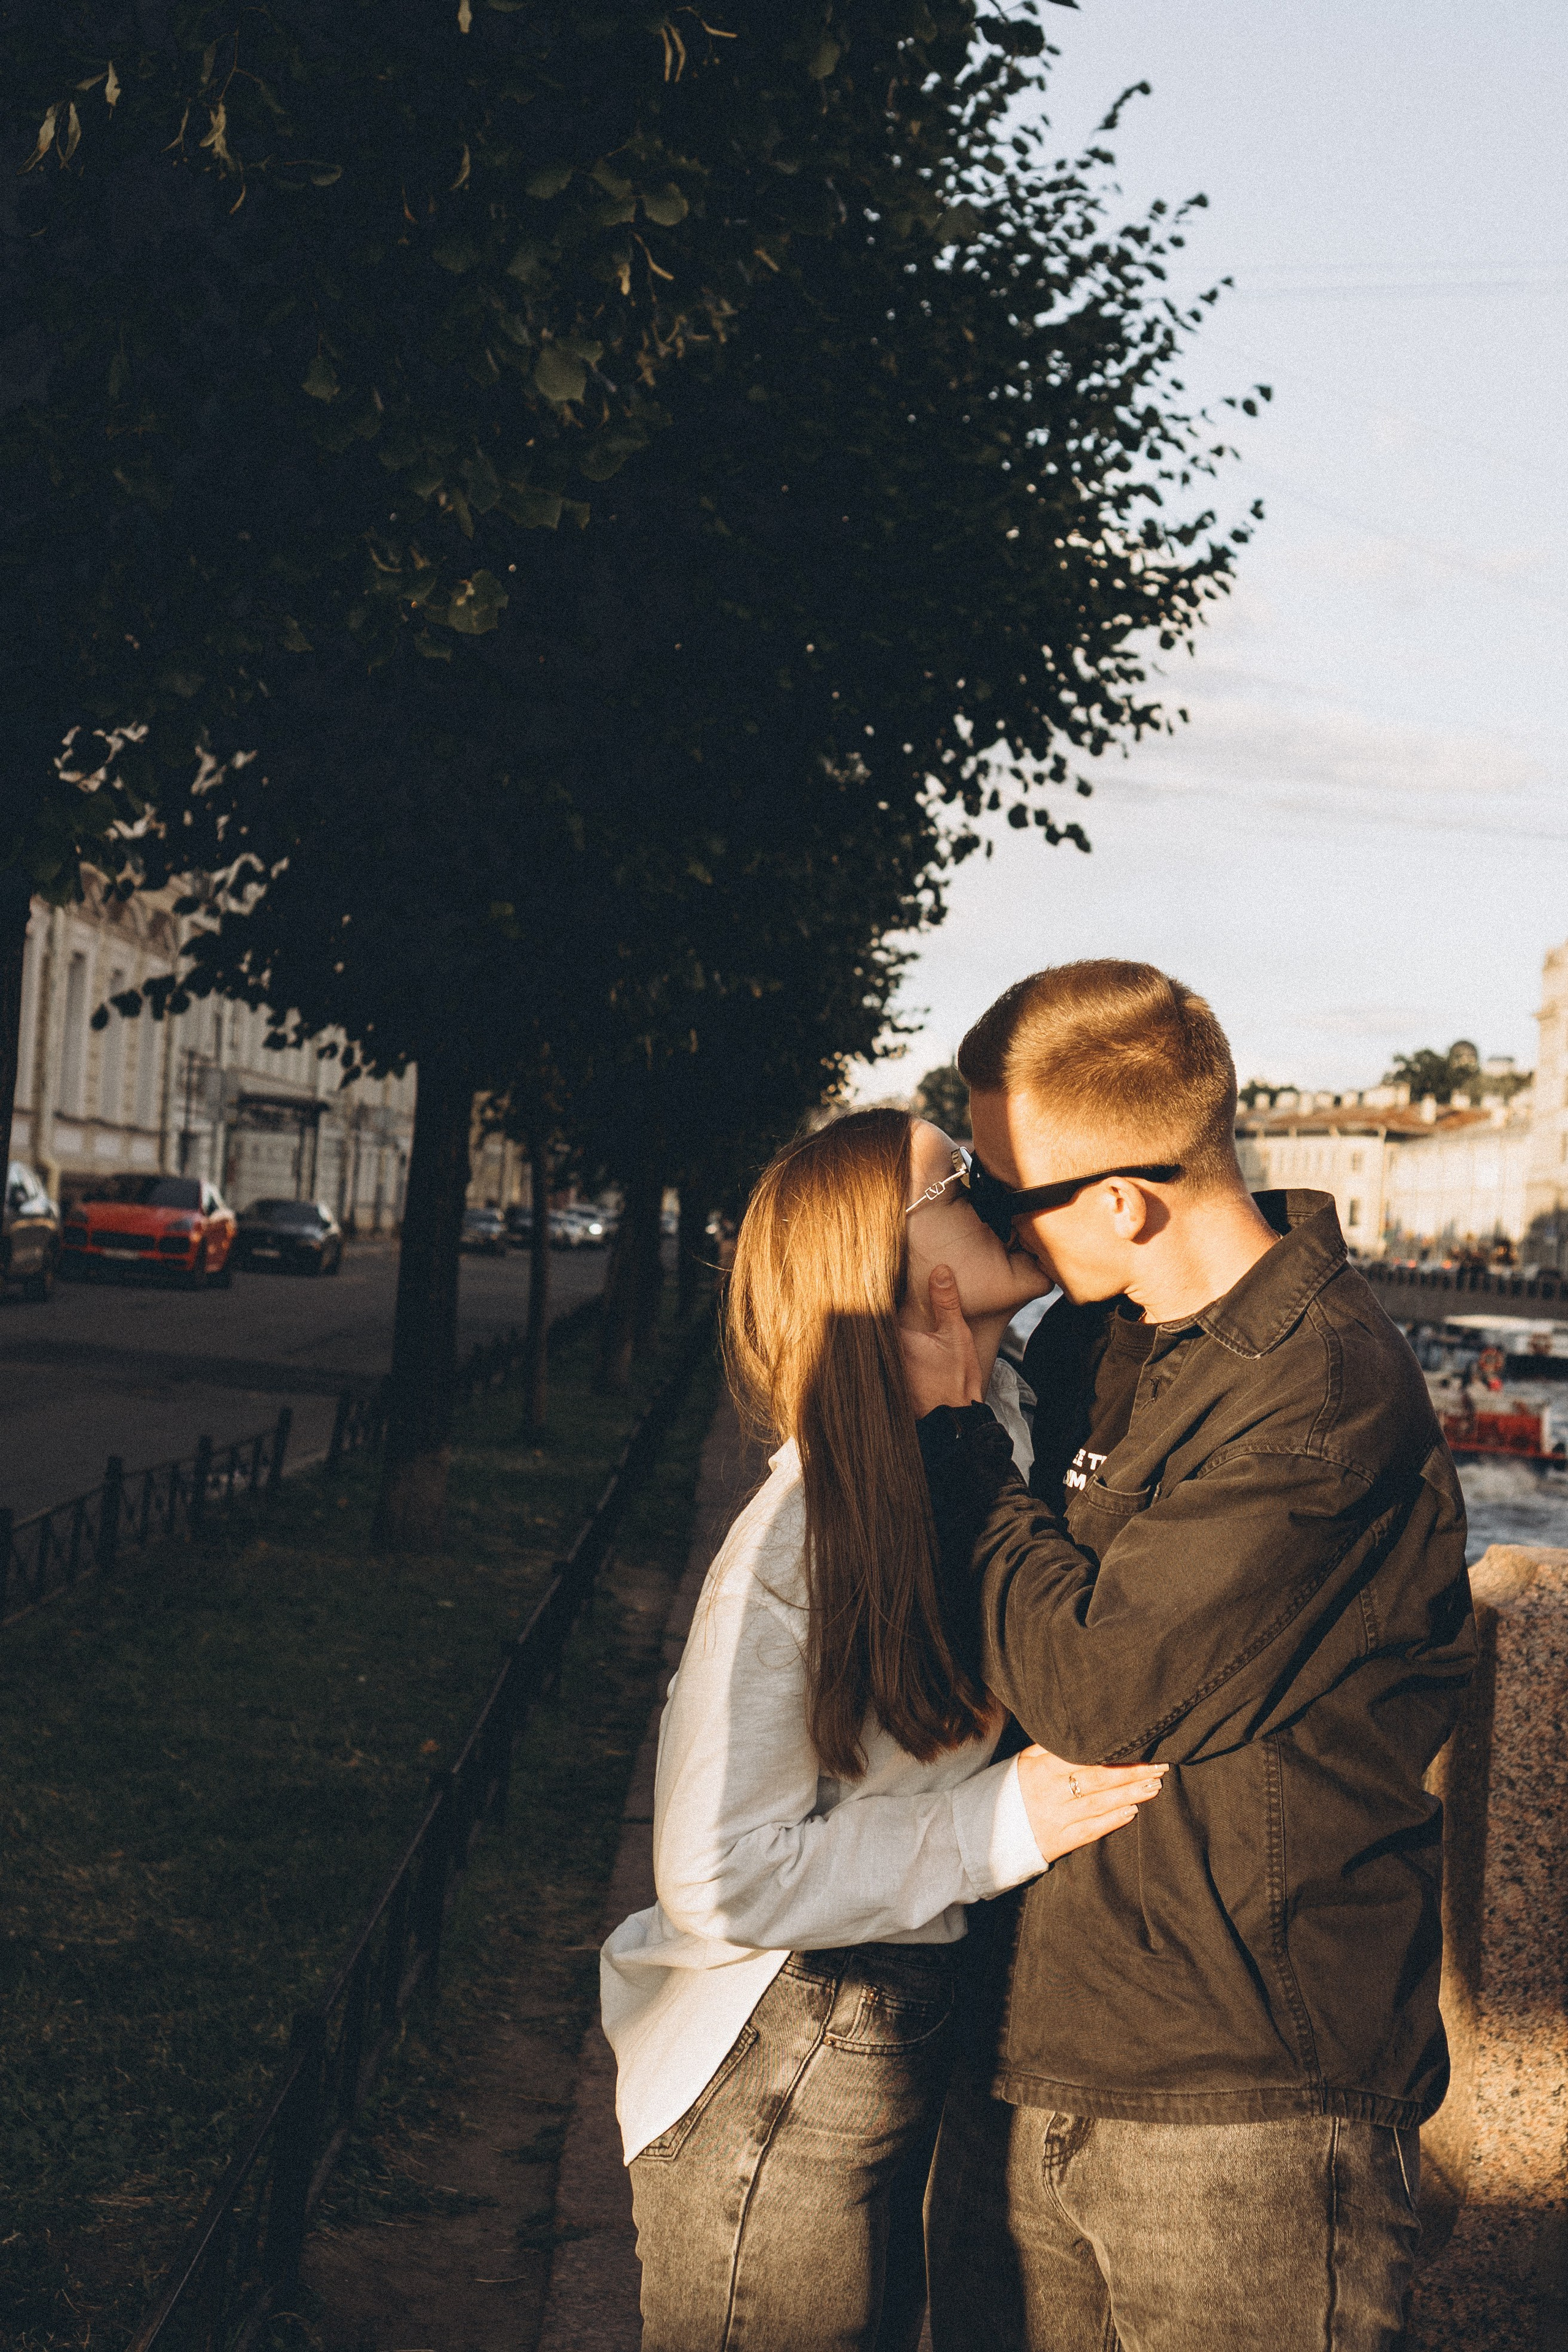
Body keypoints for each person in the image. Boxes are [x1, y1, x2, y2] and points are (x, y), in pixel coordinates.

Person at [900, 960, 1476, 2352]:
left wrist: (949, 1440)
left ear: (1121, 1201)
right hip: (1043, 2047)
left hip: (1246, 2106)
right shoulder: (1100, 1335)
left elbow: (1102, 1688)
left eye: (996, 1189)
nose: (986, 1221)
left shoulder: (1320, 1390)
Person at [601, 1107, 1167, 2352]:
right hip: (780, 2040)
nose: (1004, 1192)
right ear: (898, 1260)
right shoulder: (805, 1528)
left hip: (873, 2021)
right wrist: (992, 1826)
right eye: (961, 1182)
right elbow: (708, 1872)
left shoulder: (995, 1423)